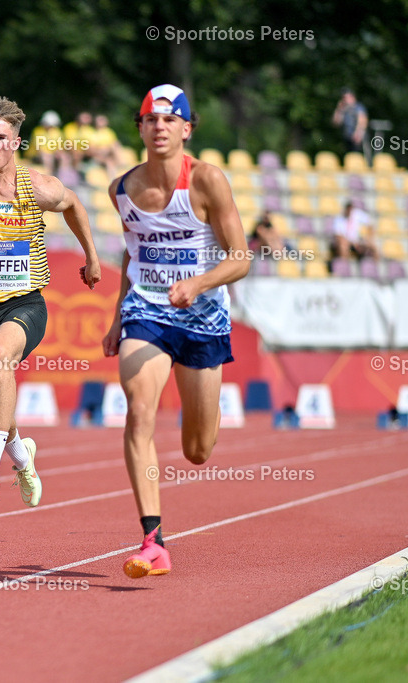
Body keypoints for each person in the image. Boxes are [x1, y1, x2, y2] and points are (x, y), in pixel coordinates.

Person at [101, 84, 250, 579]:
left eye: (170, 119)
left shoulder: (207, 180)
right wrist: (118, 315)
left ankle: (204, 417)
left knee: (198, 450)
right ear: (141, 128)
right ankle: (152, 540)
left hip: (203, 317)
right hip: (148, 310)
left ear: (187, 128)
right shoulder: (121, 189)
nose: (159, 126)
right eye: (150, 119)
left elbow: (241, 258)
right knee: (138, 410)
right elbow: (133, 251)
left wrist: (200, 282)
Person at [0, 96, 101, 507]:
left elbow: (74, 205)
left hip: (24, 304)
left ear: (15, 143)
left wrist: (92, 256)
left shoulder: (38, 186)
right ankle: (23, 459)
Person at [28, 110, 67, 176]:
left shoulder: (57, 132)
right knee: (46, 157)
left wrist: (58, 153)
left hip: (51, 154)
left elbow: (60, 147)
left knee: (64, 157)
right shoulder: (37, 131)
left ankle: (63, 176)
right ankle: (49, 176)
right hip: (36, 155)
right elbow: (39, 149)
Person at [332, 88, 368, 155]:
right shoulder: (343, 109)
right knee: (348, 157)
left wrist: (358, 133)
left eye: (346, 97)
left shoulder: (358, 107)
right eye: (343, 98)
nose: (344, 100)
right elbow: (335, 123)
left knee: (357, 157)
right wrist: (339, 109)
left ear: (352, 97)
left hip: (357, 138)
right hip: (347, 137)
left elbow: (362, 122)